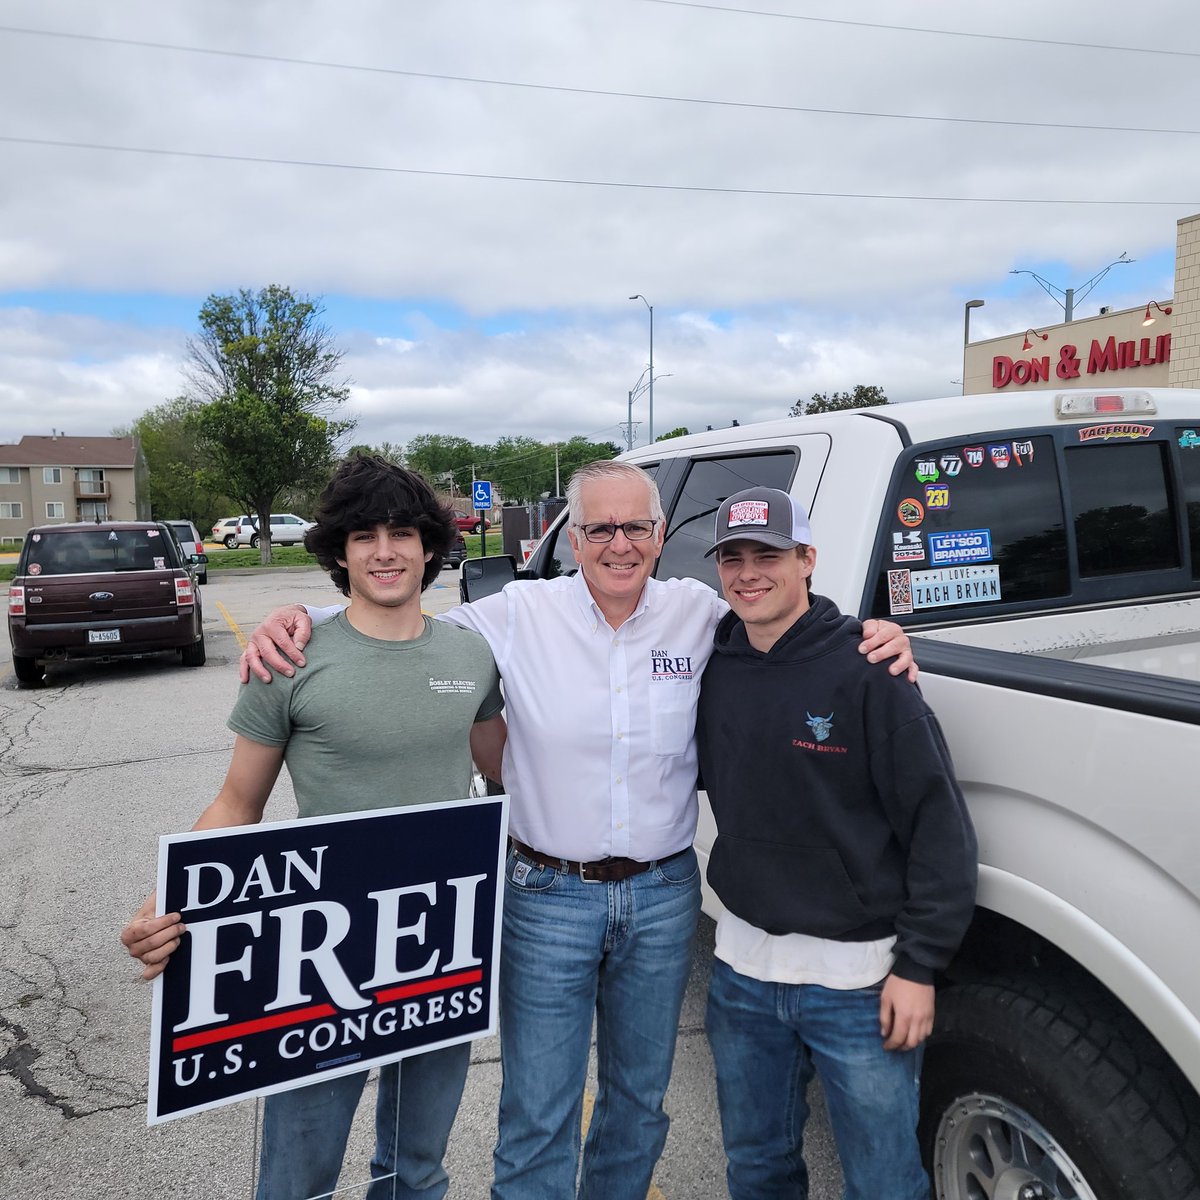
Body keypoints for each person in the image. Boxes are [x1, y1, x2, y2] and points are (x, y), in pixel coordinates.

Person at [239, 460, 915, 1200]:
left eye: (635, 528)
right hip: (544, 896)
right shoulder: (519, 613)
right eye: (599, 528)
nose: (618, 545)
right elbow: (396, 624)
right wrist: (300, 616)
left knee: (637, 1105)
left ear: (660, 536)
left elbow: (786, 621)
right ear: (574, 537)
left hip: (662, 897)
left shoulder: (700, 613)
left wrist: (872, 635)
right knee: (538, 1112)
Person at [120, 456, 506, 1200]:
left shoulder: (470, 653)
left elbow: (506, 772)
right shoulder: (291, 658)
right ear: (338, 551)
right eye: (364, 536)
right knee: (299, 1178)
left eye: (402, 533)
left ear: (431, 546)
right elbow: (238, 802)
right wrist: (166, 899)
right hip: (316, 958)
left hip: (439, 944)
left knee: (417, 1170)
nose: (385, 551)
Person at [695, 486, 978, 1200]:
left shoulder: (869, 670)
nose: (749, 573)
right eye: (734, 557)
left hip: (859, 982)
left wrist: (919, 967)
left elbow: (938, 827)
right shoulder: (713, 661)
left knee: (883, 1183)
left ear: (808, 560)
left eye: (770, 555)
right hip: (742, 973)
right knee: (757, 1170)